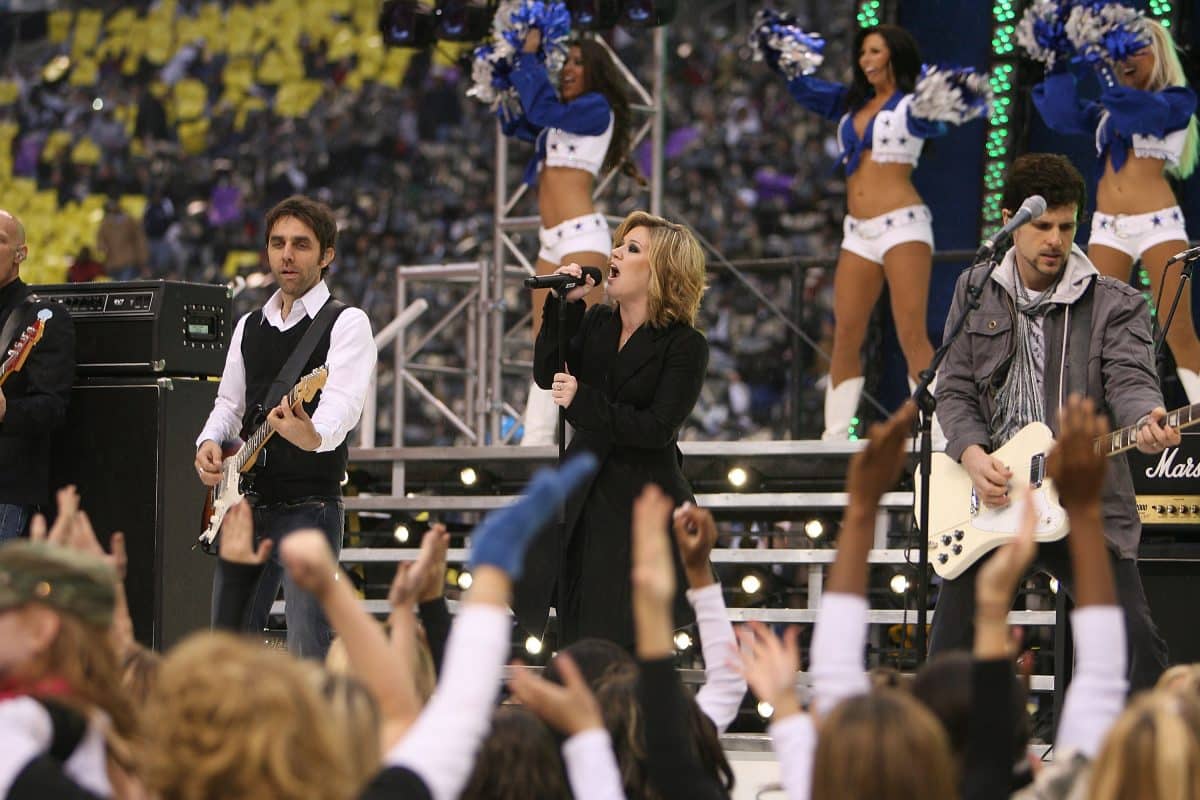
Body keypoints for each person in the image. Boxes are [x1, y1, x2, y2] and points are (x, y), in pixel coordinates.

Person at [930, 153, 1180, 690]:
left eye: (1067, 227)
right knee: (948, 655)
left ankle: (1156, 762)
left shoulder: (1115, 302)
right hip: (992, 501)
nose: (1055, 240)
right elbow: (951, 389)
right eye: (1042, 226)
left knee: (1137, 647)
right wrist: (974, 456)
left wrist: (1147, 419)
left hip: (1081, 501)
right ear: (1009, 222)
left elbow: (1132, 381)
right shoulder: (974, 291)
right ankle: (940, 767)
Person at [515, 210, 708, 649]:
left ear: (662, 271)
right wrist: (565, 306)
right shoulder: (599, 322)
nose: (615, 253)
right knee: (577, 627)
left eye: (632, 249)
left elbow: (657, 428)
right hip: (584, 498)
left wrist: (584, 400)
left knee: (624, 637)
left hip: (640, 503)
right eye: (619, 244)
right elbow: (549, 373)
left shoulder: (685, 346)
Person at [195, 195, 376, 659]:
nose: (287, 255)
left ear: (327, 254)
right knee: (228, 650)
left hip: (310, 506)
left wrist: (313, 435)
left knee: (307, 650)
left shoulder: (346, 322)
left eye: (301, 244)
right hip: (247, 503)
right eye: (278, 244)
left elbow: (343, 403)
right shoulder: (248, 325)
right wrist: (209, 442)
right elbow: (229, 404)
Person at [778, 24, 967, 439]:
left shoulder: (912, 106)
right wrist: (785, 55)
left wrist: (959, 92)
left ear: (894, 56)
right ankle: (835, 438)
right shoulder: (850, 104)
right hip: (857, 232)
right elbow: (807, 91)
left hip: (903, 226)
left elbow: (939, 118)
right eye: (862, 52)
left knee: (910, 332)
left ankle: (934, 435)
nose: (866, 60)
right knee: (845, 331)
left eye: (875, 52)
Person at [1033, 18, 1200, 403]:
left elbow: (1137, 114)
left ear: (1158, 54)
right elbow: (1059, 114)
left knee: (1178, 331)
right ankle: (1089, 432)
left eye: (1136, 49)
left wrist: (1105, 75)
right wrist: (1056, 60)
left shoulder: (1176, 100)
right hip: (1109, 228)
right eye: (1118, 51)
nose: (1125, 59)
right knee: (1093, 334)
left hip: (1158, 224)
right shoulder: (1105, 113)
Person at [499, 30, 636, 445]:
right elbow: (519, 120)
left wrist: (527, 58)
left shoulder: (596, 107)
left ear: (595, 70)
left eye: (578, 62)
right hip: (550, 242)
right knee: (547, 341)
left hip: (582, 237)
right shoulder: (562, 116)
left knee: (575, 344)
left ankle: (572, 439)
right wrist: (502, 73)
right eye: (566, 62)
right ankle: (539, 437)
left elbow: (540, 110)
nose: (569, 70)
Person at [0, 208, 75, 541]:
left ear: (21, 253)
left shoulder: (42, 317)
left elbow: (52, 407)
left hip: (7, 493)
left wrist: (7, 411)